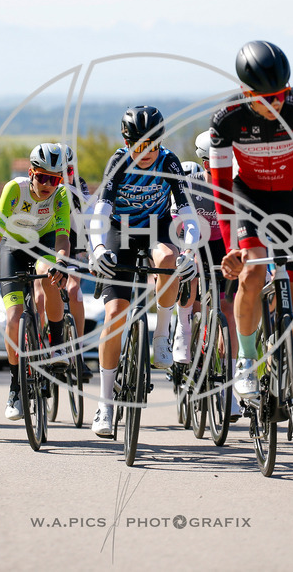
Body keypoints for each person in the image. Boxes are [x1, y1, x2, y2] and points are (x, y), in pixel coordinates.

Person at [211, 40, 293, 446]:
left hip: (290, 199)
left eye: (281, 94)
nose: (276, 104)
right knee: (252, 270)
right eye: (266, 99)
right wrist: (231, 247)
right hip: (247, 197)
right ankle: (246, 361)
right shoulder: (226, 118)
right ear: (245, 93)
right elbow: (220, 186)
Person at [87, 106, 199, 438]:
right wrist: (97, 248)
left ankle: (162, 336)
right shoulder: (118, 161)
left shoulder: (169, 161)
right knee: (115, 315)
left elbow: (187, 212)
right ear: (127, 142)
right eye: (138, 145)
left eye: (152, 144)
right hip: (119, 231)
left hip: (156, 228)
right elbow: (101, 211)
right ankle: (105, 404)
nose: (146, 151)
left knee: (168, 257)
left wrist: (189, 250)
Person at [0, 143, 72, 422]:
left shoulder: (60, 195)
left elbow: (63, 237)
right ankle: (15, 388)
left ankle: (57, 344)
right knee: (13, 319)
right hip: (14, 248)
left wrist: (61, 262)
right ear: (31, 173)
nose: (48, 185)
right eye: (42, 177)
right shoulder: (14, 190)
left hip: (44, 244)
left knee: (49, 274)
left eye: (54, 179)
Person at [174, 131, 240, 419]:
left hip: (225, 246)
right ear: (204, 163)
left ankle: (229, 389)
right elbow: (178, 223)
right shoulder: (191, 185)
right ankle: (184, 329)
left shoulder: (237, 186)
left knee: (228, 311)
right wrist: (186, 254)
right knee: (189, 275)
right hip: (195, 243)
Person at [60, 143, 94, 382]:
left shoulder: (78, 185)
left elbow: (88, 221)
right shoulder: (43, 184)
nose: (64, 176)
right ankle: (44, 345)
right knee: (40, 293)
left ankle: (78, 355)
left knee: (74, 291)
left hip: (72, 241)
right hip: (45, 240)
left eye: (69, 171)